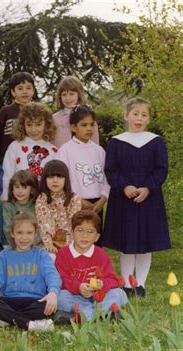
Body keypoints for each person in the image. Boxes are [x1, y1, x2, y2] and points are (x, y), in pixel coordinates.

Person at [102, 97, 170, 297]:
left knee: (145, 243)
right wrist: (125, 186)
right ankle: (126, 284)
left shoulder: (156, 142)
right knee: (127, 243)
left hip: (149, 197)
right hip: (123, 198)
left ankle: (140, 284)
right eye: (135, 114)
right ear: (126, 116)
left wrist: (148, 188)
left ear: (149, 119)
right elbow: (111, 169)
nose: (139, 118)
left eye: (144, 115)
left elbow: (161, 169)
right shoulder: (116, 142)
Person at [0, 213, 60, 330]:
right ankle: (31, 324)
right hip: (9, 300)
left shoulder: (41, 254)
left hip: (35, 300)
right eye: (19, 232)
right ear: (12, 234)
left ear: (35, 234)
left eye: (29, 233)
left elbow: (52, 275)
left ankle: (7, 319)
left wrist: (53, 293)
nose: (24, 237)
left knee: (48, 306)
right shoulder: (4, 255)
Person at [56, 210, 127, 321]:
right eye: (80, 230)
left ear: (97, 237)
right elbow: (61, 280)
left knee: (120, 294)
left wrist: (102, 283)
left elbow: (112, 279)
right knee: (60, 297)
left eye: (90, 232)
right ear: (72, 232)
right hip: (75, 297)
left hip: (100, 297)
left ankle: (83, 316)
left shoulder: (101, 254)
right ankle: (100, 315)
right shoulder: (63, 254)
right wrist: (78, 287)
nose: (85, 236)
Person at [56, 105, 109, 233]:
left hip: (97, 205)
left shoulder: (99, 151)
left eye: (92, 125)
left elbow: (107, 178)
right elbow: (62, 181)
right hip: (75, 202)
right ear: (73, 127)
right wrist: (77, 200)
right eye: (84, 125)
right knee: (77, 238)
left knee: (94, 239)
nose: (89, 129)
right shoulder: (65, 151)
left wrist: (103, 198)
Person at [1, 102, 57, 200]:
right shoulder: (15, 146)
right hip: (18, 199)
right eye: (29, 125)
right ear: (23, 125)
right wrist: (5, 198)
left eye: (38, 124)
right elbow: (7, 174)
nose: (34, 129)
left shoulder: (53, 150)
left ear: (46, 125)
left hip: (43, 201)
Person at [35, 160, 81, 256]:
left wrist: (69, 245)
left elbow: (74, 222)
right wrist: (49, 244)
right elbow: (43, 222)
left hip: (71, 241)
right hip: (49, 242)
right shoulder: (42, 199)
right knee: (49, 257)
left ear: (66, 179)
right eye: (51, 176)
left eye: (59, 176)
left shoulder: (74, 198)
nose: (55, 180)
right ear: (44, 179)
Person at [0, 72, 37, 159]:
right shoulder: (6, 111)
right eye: (20, 88)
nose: (25, 91)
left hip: (33, 155)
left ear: (33, 91)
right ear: (13, 92)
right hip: (10, 156)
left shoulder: (38, 111)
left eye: (28, 88)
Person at [52, 76, 99, 148]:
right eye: (64, 94)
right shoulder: (54, 119)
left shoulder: (88, 117)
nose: (67, 98)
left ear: (79, 95)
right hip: (60, 157)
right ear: (59, 96)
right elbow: (51, 143)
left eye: (71, 94)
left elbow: (95, 143)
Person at [2, 170, 39, 246]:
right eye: (17, 187)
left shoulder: (37, 206)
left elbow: (41, 229)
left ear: (32, 190)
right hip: (12, 245)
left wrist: (30, 245)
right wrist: (17, 246)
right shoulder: (8, 207)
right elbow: (7, 229)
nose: (20, 191)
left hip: (33, 245)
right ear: (12, 189)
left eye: (24, 187)